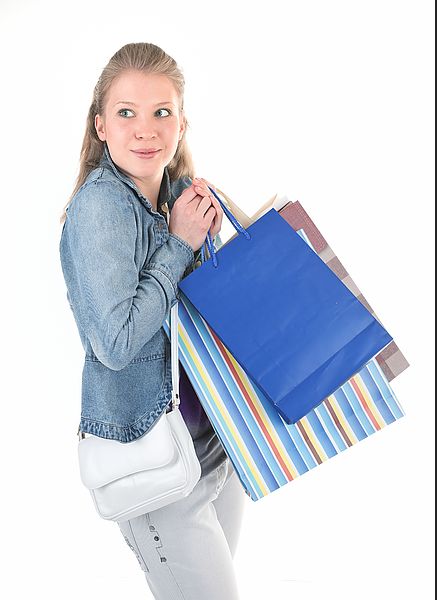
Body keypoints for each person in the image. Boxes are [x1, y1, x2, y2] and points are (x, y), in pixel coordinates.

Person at [59, 42, 245, 600]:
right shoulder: (100, 208)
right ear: (100, 127)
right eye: (126, 113)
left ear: (182, 122)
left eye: (161, 112)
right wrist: (179, 244)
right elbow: (115, 343)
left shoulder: (178, 196)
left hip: (216, 442)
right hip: (155, 459)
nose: (146, 129)